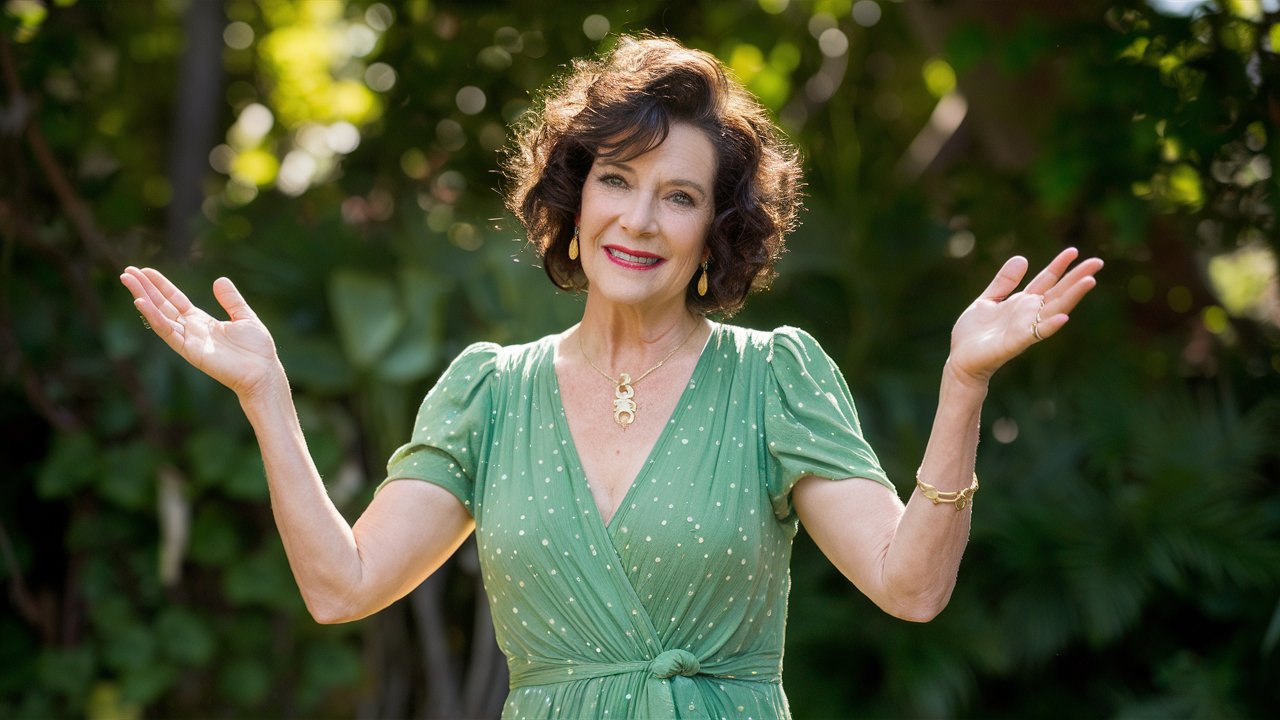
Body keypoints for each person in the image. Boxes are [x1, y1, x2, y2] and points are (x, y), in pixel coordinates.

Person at [120, 34, 1102, 720]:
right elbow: (343, 588)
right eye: (616, 180)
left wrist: (962, 384)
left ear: (714, 232)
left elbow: (910, 588)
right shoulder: (487, 394)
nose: (637, 220)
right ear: (572, 195)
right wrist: (266, 395)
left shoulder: (775, 380)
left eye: (677, 197)